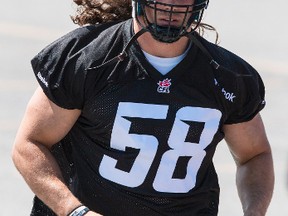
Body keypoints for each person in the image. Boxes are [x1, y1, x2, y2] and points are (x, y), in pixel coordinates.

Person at [12, 0, 274, 215]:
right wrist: (74, 211)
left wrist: (254, 212)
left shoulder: (229, 76)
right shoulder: (87, 59)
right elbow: (30, 144)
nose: (172, 6)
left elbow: (254, 155)